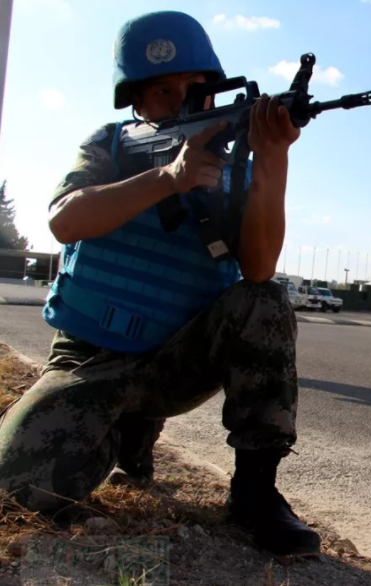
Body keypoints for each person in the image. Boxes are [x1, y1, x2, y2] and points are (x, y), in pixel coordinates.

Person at [0, 11, 321, 557]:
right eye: (163, 91)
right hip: (88, 358)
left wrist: (273, 157)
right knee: (21, 490)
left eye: (194, 89)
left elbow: (259, 269)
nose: (180, 101)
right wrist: (166, 178)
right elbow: (65, 221)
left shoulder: (237, 163)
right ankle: (122, 432)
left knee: (263, 301)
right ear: (137, 103)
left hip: (178, 363)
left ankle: (254, 492)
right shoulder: (111, 145)